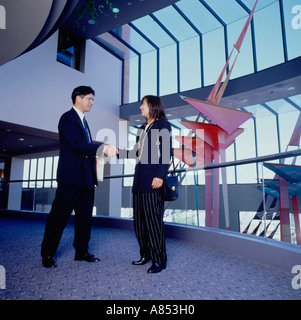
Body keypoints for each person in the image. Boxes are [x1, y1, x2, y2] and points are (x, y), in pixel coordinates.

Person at [41, 86, 117, 268]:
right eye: (89, 99)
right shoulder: (67, 119)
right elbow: (77, 145)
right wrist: (103, 148)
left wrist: (93, 177)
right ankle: (47, 254)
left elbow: (86, 153)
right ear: (78, 98)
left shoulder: (83, 121)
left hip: (85, 180)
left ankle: (81, 251)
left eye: (92, 99)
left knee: (85, 218)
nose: (92, 103)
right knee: (58, 217)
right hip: (70, 178)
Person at [119, 95, 172, 273]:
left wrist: (160, 176)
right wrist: (118, 152)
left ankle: (159, 259)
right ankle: (146, 254)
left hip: (153, 181)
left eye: (143, 105)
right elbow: (136, 153)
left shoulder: (163, 125)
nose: (140, 108)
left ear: (152, 106)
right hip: (139, 181)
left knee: (153, 221)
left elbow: (166, 153)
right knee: (139, 222)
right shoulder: (142, 128)